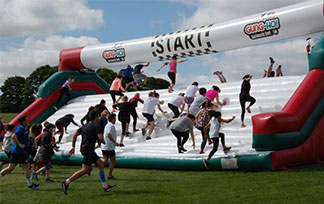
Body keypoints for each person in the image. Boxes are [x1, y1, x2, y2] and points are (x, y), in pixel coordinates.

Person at [61, 111, 116, 195]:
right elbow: (100, 137)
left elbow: (75, 134)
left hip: (84, 148)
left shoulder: (85, 125)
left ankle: (105, 186)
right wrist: (103, 142)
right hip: (89, 149)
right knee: (84, 170)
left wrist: (73, 147)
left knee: (101, 164)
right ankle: (66, 182)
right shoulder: (96, 125)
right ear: (96, 117)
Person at [0, 116, 39, 189]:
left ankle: (30, 184)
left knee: (11, 168)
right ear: (23, 121)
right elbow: (14, 136)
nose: (28, 121)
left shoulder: (22, 128)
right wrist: (19, 144)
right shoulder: (21, 128)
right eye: (26, 120)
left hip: (17, 151)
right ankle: (30, 184)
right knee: (27, 166)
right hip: (19, 152)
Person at [101, 114, 119, 180]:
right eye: (115, 119)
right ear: (113, 119)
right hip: (109, 147)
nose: (115, 121)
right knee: (113, 160)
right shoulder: (111, 126)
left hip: (105, 146)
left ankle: (90, 166)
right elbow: (108, 135)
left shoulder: (107, 125)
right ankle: (110, 175)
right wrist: (115, 142)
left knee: (105, 161)